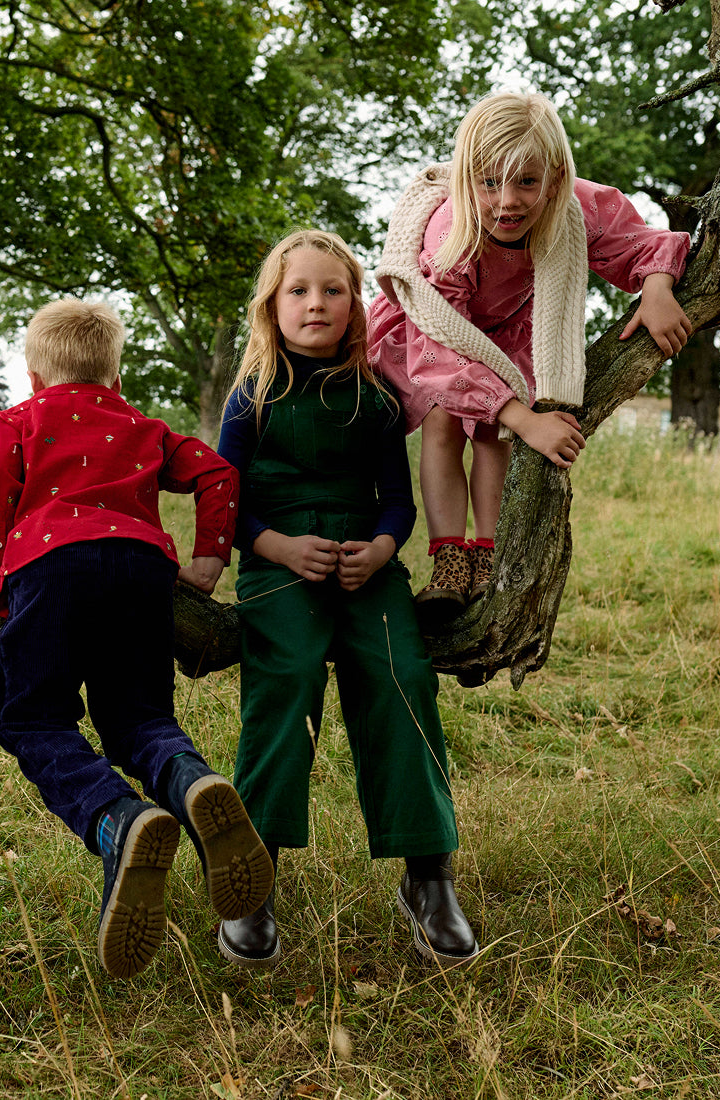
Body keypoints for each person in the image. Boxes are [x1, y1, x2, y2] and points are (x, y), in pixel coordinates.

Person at [0, 298, 273, 980]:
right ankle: (191, 782)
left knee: (32, 716)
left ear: (34, 373)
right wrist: (209, 559)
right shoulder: (141, 424)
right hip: (140, 568)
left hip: (49, 565)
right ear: (114, 375)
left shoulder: (22, 418)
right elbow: (219, 475)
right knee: (140, 717)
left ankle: (114, 819)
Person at [216, 229, 478, 971]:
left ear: (356, 304)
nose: (316, 303)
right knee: (287, 679)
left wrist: (384, 550)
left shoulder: (374, 395)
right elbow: (224, 501)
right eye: (298, 290)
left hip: (367, 566)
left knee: (399, 677)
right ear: (272, 304)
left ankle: (429, 876)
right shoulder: (253, 394)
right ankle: (252, 876)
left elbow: (397, 500)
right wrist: (276, 547)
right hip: (279, 567)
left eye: (333, 289)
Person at [368, 91, 692, 623]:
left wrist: (656, 287)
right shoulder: (454, 231)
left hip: (515, 332)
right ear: (466, 181)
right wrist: (526, 419)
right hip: (439, 329)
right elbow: (442, 345)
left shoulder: (576, 205)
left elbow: (637, 240)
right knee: (446, 420)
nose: (508, 201)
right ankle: (449, 558)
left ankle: (488, 555)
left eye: (526, 181)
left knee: (496, 434)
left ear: (556, 178)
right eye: (490, 182)